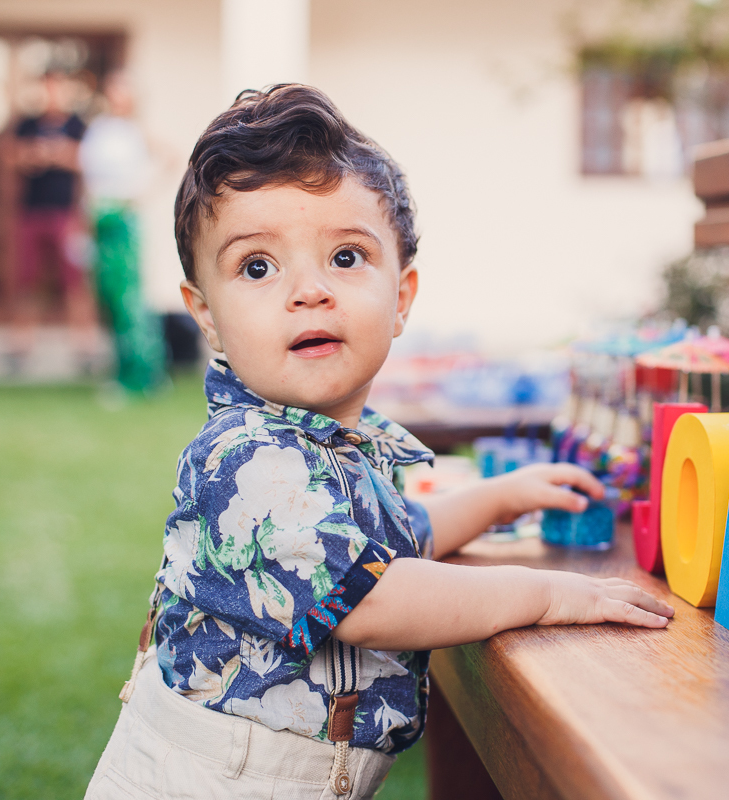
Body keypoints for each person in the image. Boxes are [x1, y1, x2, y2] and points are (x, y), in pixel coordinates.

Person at [85, 85, 673, 800]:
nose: (309, 291)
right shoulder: (247, 458)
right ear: (205, 314)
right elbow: (375, 599)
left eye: (345, 256)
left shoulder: (332, 446)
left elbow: (388, 545)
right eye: (258, 267)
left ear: (401, 297)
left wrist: (498, 498)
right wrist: (546, 594)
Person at [78, 70, 166, 394]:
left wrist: (139, 193)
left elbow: (170, 158)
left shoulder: (136, 131)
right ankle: (119, 369)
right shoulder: (99, 129)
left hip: (123, 219)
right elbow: (87, 176)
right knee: (107, 297)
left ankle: (143, 374)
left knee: (129, 298)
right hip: (98, 217)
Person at [10, 70, 94, 375]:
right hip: (31, 213)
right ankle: (21, 347)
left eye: (58, 88)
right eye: (47, 88)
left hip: (68, 214)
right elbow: (10, 155)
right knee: (27, 281)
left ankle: (84, 348)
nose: (52, 94)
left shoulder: (78, 126)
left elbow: (89, 161)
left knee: (75, 281)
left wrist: (61, 155)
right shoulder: (27, 124)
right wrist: (35, 155)